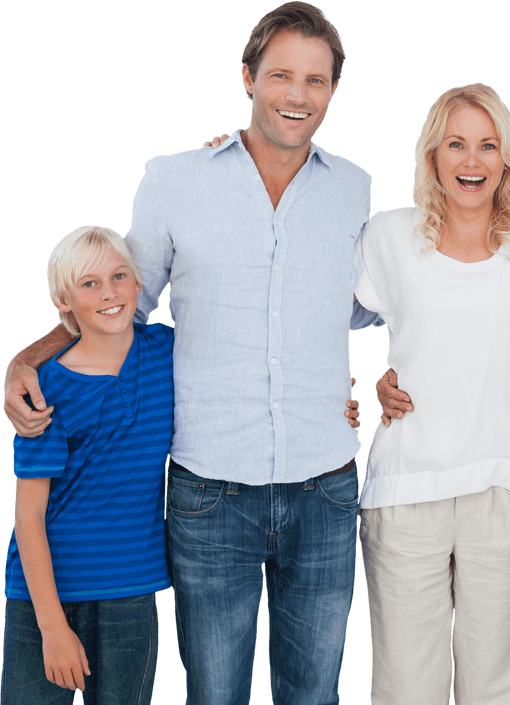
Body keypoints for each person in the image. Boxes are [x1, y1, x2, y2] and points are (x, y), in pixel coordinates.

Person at [2, 4, 375, 703]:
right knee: (213, 693)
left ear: (332, 91)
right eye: (281, 75)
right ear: (247, 77)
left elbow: (362, 305)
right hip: (210, 492)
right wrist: (28, 357)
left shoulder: (354, 187)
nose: (298, 94)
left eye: (316, 80)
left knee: (316, 691)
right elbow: (119, 305)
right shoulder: (175, 179)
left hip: (326, 485)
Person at [354, 83, 510, 705]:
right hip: (405, 488)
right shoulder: (387, 235)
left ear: (506, 159)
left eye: (487, 145)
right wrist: (370, 383)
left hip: (502, 488)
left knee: (496, 684)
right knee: (405, 682)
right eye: (456, 145)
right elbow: (320, 318)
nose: (471, 161)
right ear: (432, 156)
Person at [1, 226, 172, 704]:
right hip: (46, 593)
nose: (109, 293)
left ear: (140, 284)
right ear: (63, 301)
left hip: (130, 589)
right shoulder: (45, 389)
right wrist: (52, 627)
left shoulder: (166, 354)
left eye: (119, 276)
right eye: (89, 284)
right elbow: (28, 515)